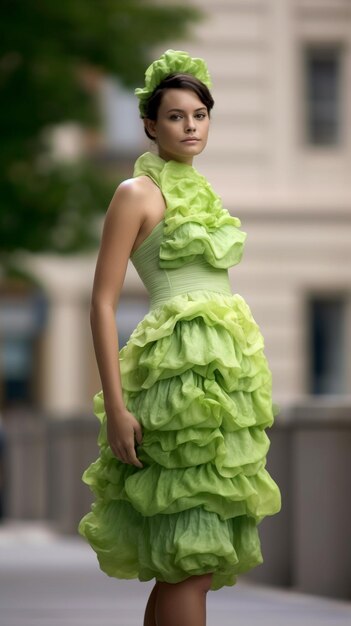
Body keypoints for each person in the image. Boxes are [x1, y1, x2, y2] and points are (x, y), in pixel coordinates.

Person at [79, 49, 281, 626]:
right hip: (174, 387)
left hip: (219, 391)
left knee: (185, 567)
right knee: (189, 565)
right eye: (175, 116)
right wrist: (116, 408)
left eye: (199, 115)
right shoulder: (135, 193)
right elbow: (101, 302)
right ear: (149, 124)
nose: (190, 126)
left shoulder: (202, 192)